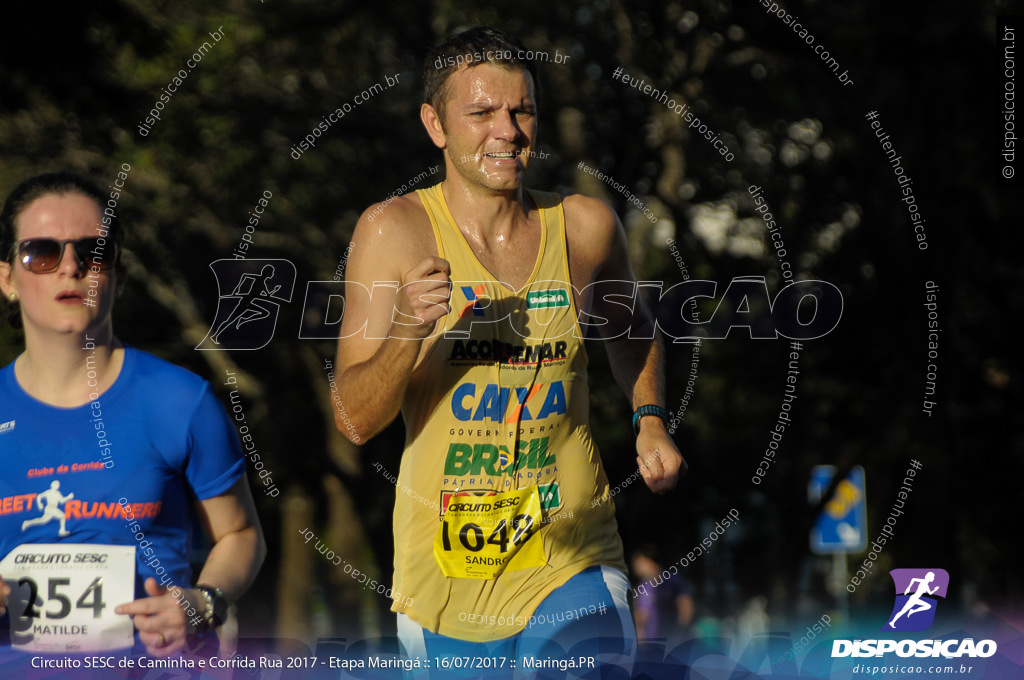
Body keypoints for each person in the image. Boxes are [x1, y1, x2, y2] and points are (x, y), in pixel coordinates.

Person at [334, 27, 686, 676]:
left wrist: (650, 420)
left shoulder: (584, 227)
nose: (508, 130)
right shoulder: (394, 231)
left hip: (574, 555)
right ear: (435, 125)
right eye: (481, 112)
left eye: (521, 111)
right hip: (444, 578)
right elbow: (354, 418)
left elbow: (633, 330)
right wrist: (407, 329)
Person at [0, 171, 266, 658]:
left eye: (92, 253)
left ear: (118, 275)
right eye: (41, 252)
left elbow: (240, 533)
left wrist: (203, 601)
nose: (69, 269)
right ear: (6, 278)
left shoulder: (180, 401)